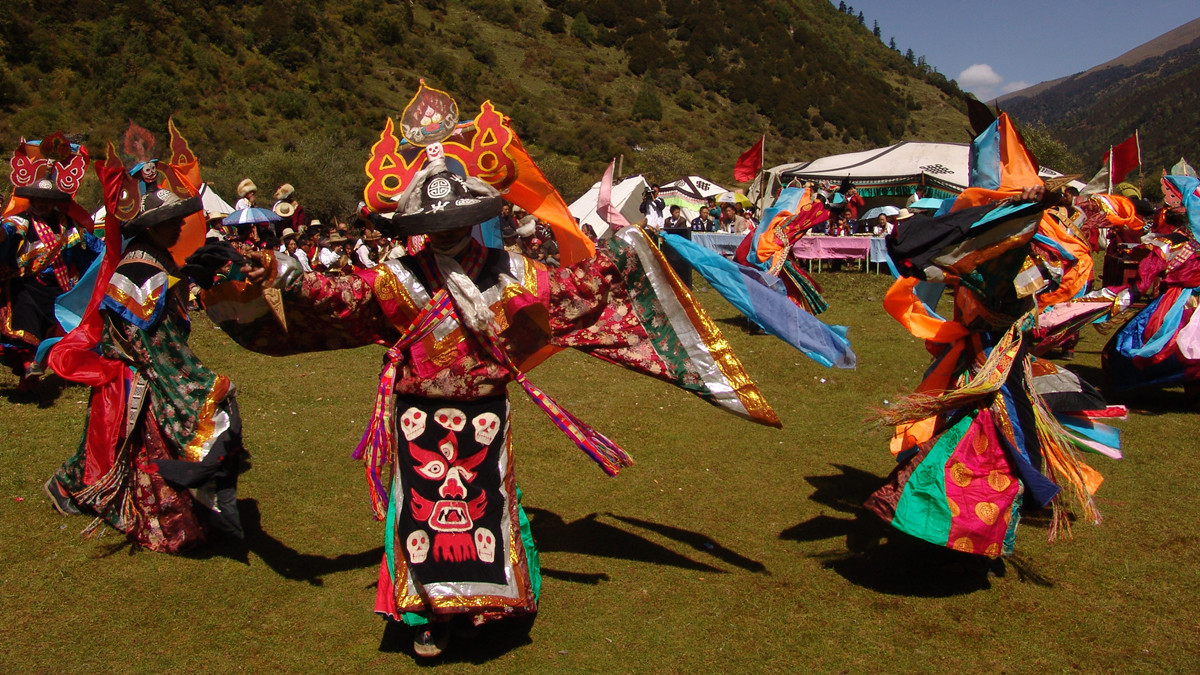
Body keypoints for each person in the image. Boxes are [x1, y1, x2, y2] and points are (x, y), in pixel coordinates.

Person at [195, 153, 783, 659]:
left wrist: (624, 253)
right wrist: (274, 271)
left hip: (484, 420)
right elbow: (334, 295)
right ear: (419, 226)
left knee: (485, 510)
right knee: (422, 517)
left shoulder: (513, 273)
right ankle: (428, 618)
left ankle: (486, 609)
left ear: (474, 221)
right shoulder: (395, 280)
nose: (446, 230)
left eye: (456, 220)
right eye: (435, 221)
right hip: (416, 418)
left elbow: (574, 293)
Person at [45, 188, 247, 552]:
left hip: (145, 368)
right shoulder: (140, 267)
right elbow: (148, 338)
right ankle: (155, 513)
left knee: (114, 447)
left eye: (179, 221)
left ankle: (74, 486)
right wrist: (194, 376)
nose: (176, 228)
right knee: (131, 447)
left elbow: (167, 319)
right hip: (138, 373)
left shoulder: (158, 257)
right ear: (151, 227)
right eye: (169, 223)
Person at [1, 140, 103, 390]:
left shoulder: (67, 225)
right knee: (25, 322)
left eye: (46, 199)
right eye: (37, 198)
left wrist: (113, 250)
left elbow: (93, 248)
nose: (41, 203)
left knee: (62, 330)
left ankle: (60, 367)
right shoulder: (21, 222)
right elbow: (5, 233)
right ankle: (28, 371)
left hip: (61, 290)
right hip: (27, 287)